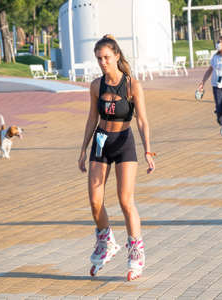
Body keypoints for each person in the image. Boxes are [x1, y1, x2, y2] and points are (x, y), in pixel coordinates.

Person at [78, 34, 155, 281]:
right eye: (99, 58)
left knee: (125, 200)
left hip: (124, 143)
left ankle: (136, 251)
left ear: (117, 56)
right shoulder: (95, 86)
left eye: (106, 57)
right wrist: (83, 149)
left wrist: (148, 150)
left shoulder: (132, 85)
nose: (102, 62)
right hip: (101, 141)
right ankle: (106, 241)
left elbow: (142, 120)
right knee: (94, 200)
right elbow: (92, 118)